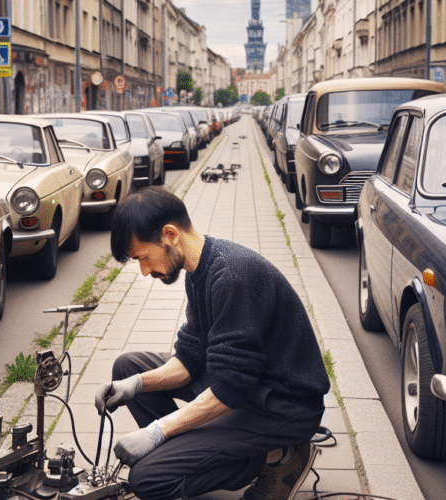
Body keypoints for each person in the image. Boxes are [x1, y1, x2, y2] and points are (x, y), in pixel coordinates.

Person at [95, 186, 330, 500]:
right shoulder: (199, 270)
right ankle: (191, 448)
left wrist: (157, 431)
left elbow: (232, 388)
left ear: (169, 234)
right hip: (246, 384)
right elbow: (191, 357)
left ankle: (275, 458)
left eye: (143, 257)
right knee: (128, 366)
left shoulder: (231, 276)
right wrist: (135, 384)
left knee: (147, 480)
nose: (144, 270)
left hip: (281, 407)